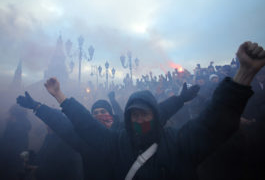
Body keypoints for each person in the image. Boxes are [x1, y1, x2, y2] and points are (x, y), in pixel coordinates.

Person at [43, 41, 265, 179]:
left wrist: (243, 75)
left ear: (155, 116)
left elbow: (212, 124)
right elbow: (86, 124)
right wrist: (59, 96)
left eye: (145, 114)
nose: (139, 120)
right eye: (134, 115)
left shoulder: (179, 143)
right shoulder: (117, 144)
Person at [17, 83, 199, 180]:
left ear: (112, 114)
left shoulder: (124, 133)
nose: (99, 116)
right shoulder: (85, 140)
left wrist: (180, 99)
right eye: (95, 113)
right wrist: (38, 107)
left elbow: (155, 114)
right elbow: (63, 123)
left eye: (103, 112)